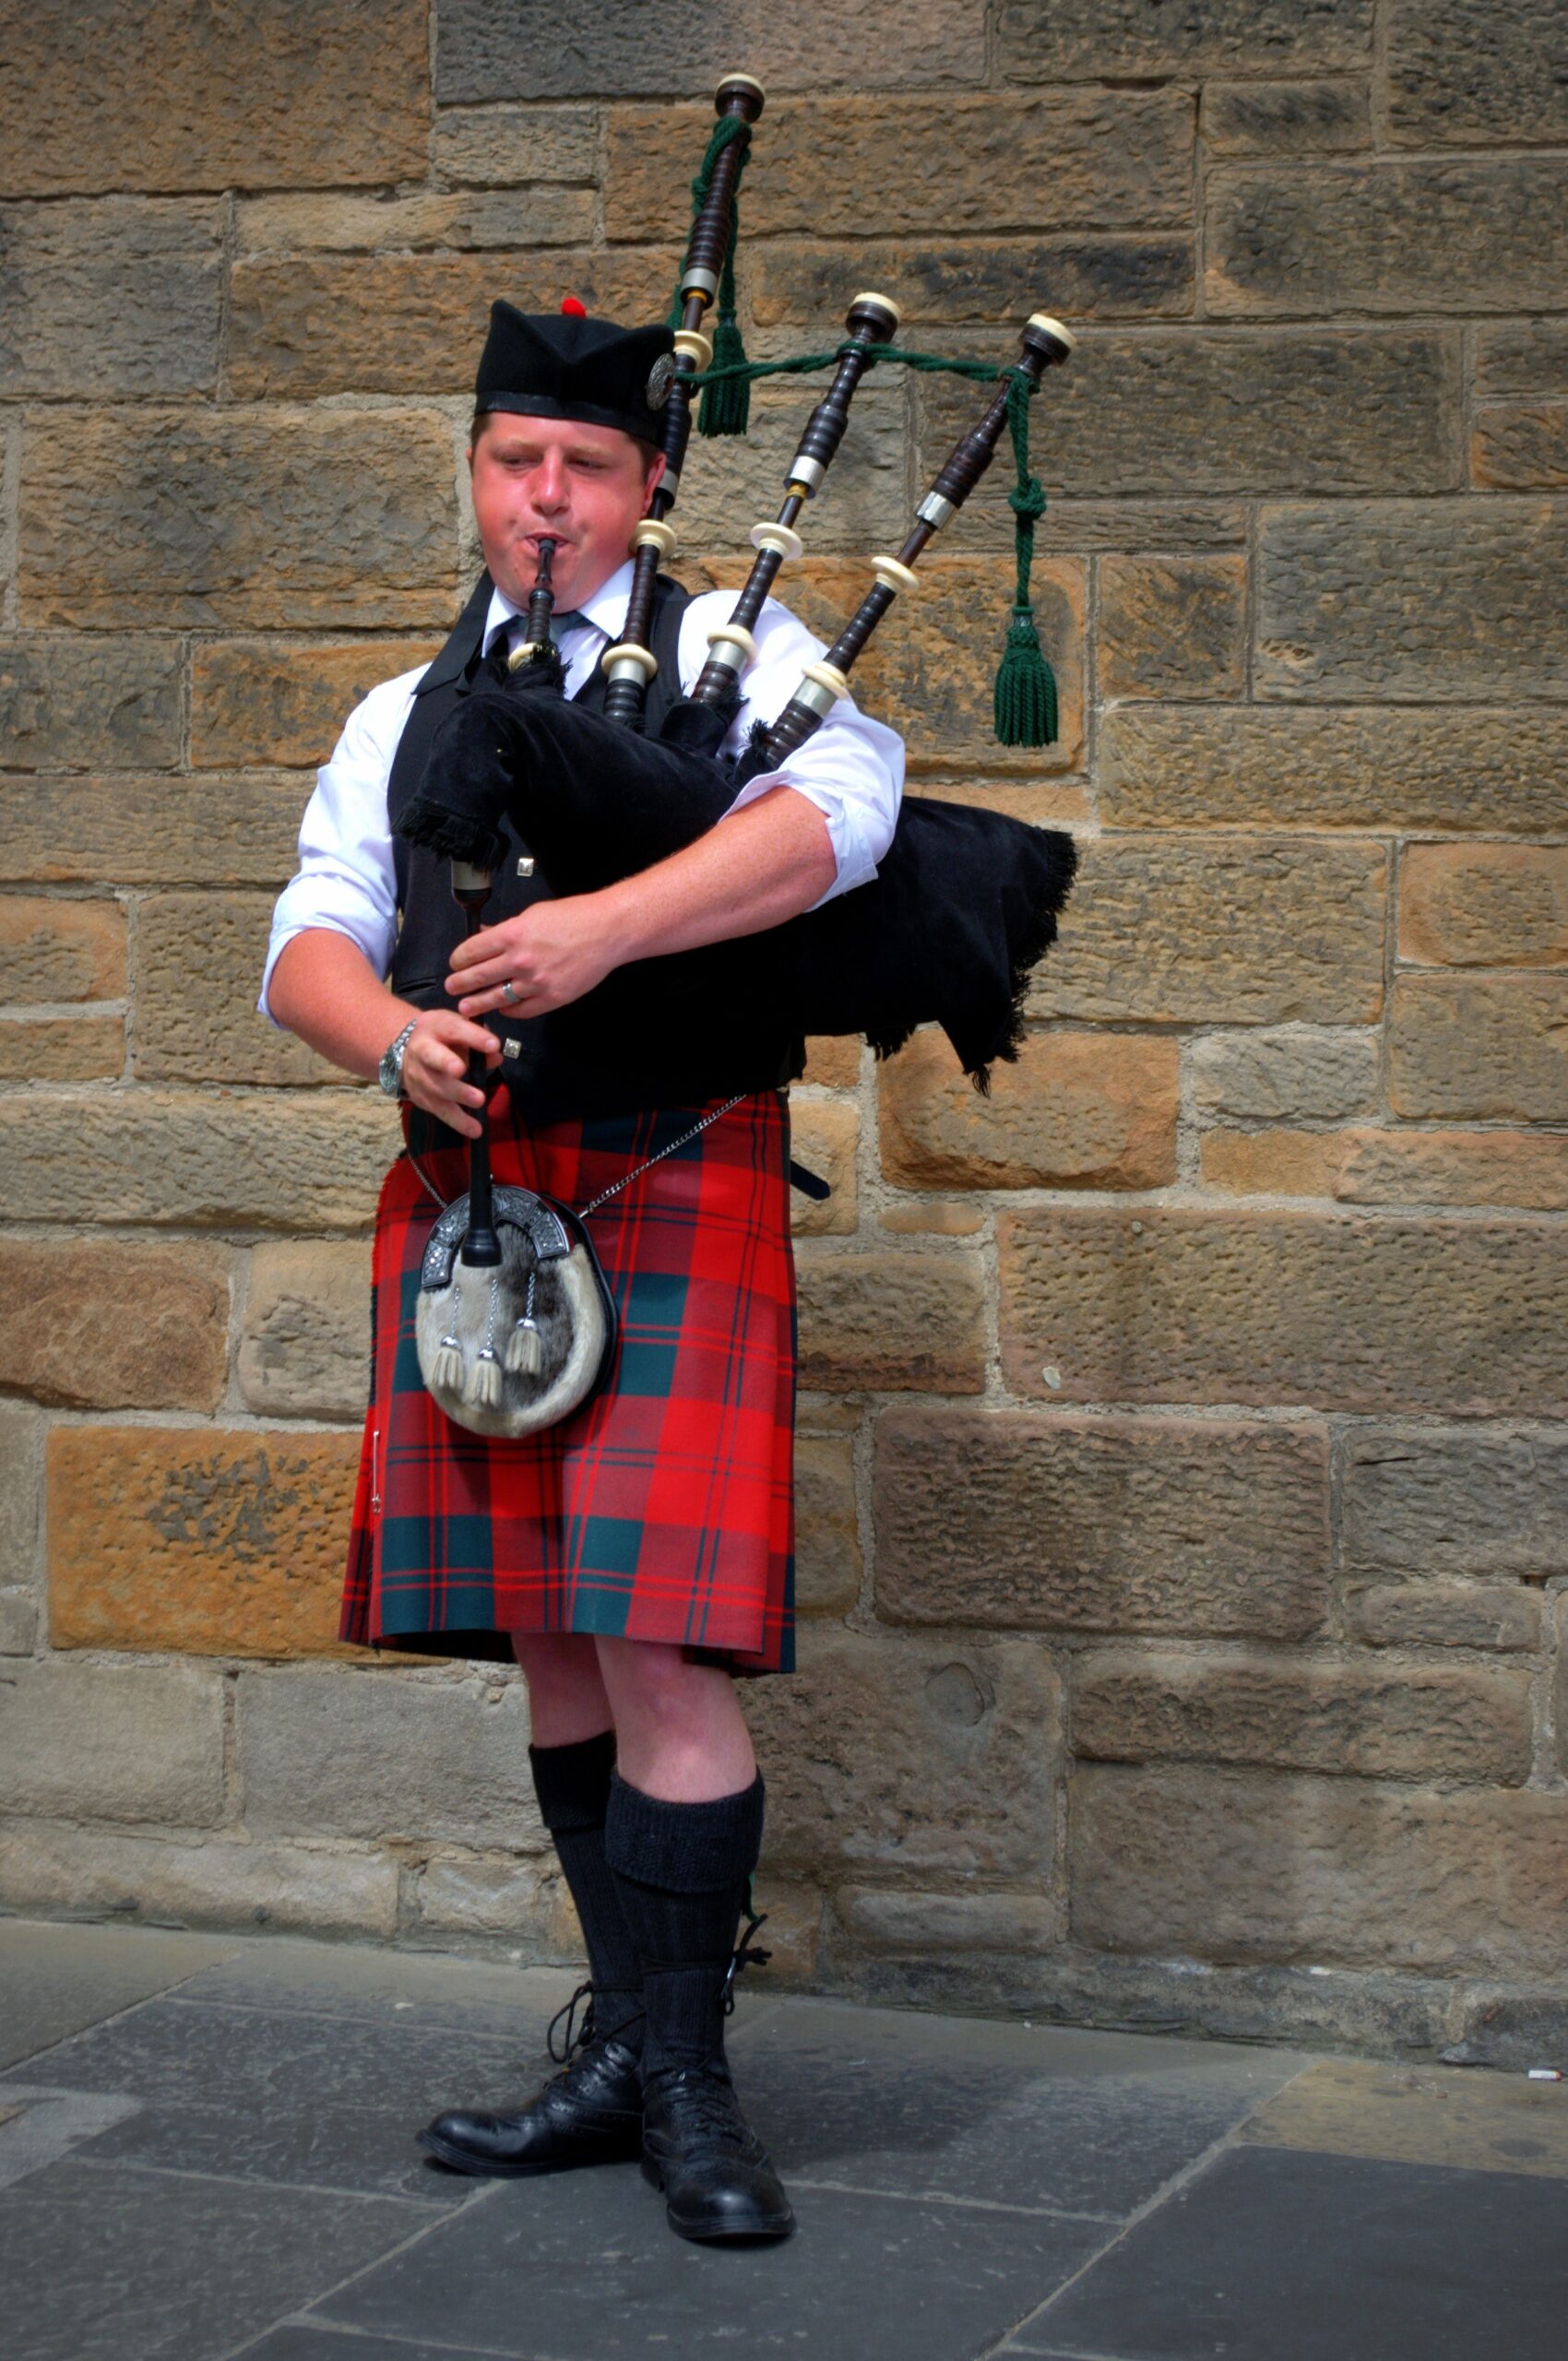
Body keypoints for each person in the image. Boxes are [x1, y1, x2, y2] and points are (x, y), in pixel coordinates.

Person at [261, 301, 903, 2246]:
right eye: (514, 460)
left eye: (590, 468)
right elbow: (308, 932)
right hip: (479, 1209)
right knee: (550, 1630)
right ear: (475, 471)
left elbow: (840, 814)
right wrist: (386, 1036)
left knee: (660, 1645)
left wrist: (606, 930)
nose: (546, 497)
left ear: (647, 488)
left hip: (670, 1170)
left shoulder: (734, 649)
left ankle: (695, 2085)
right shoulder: (403, 706)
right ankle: (626, 2038)